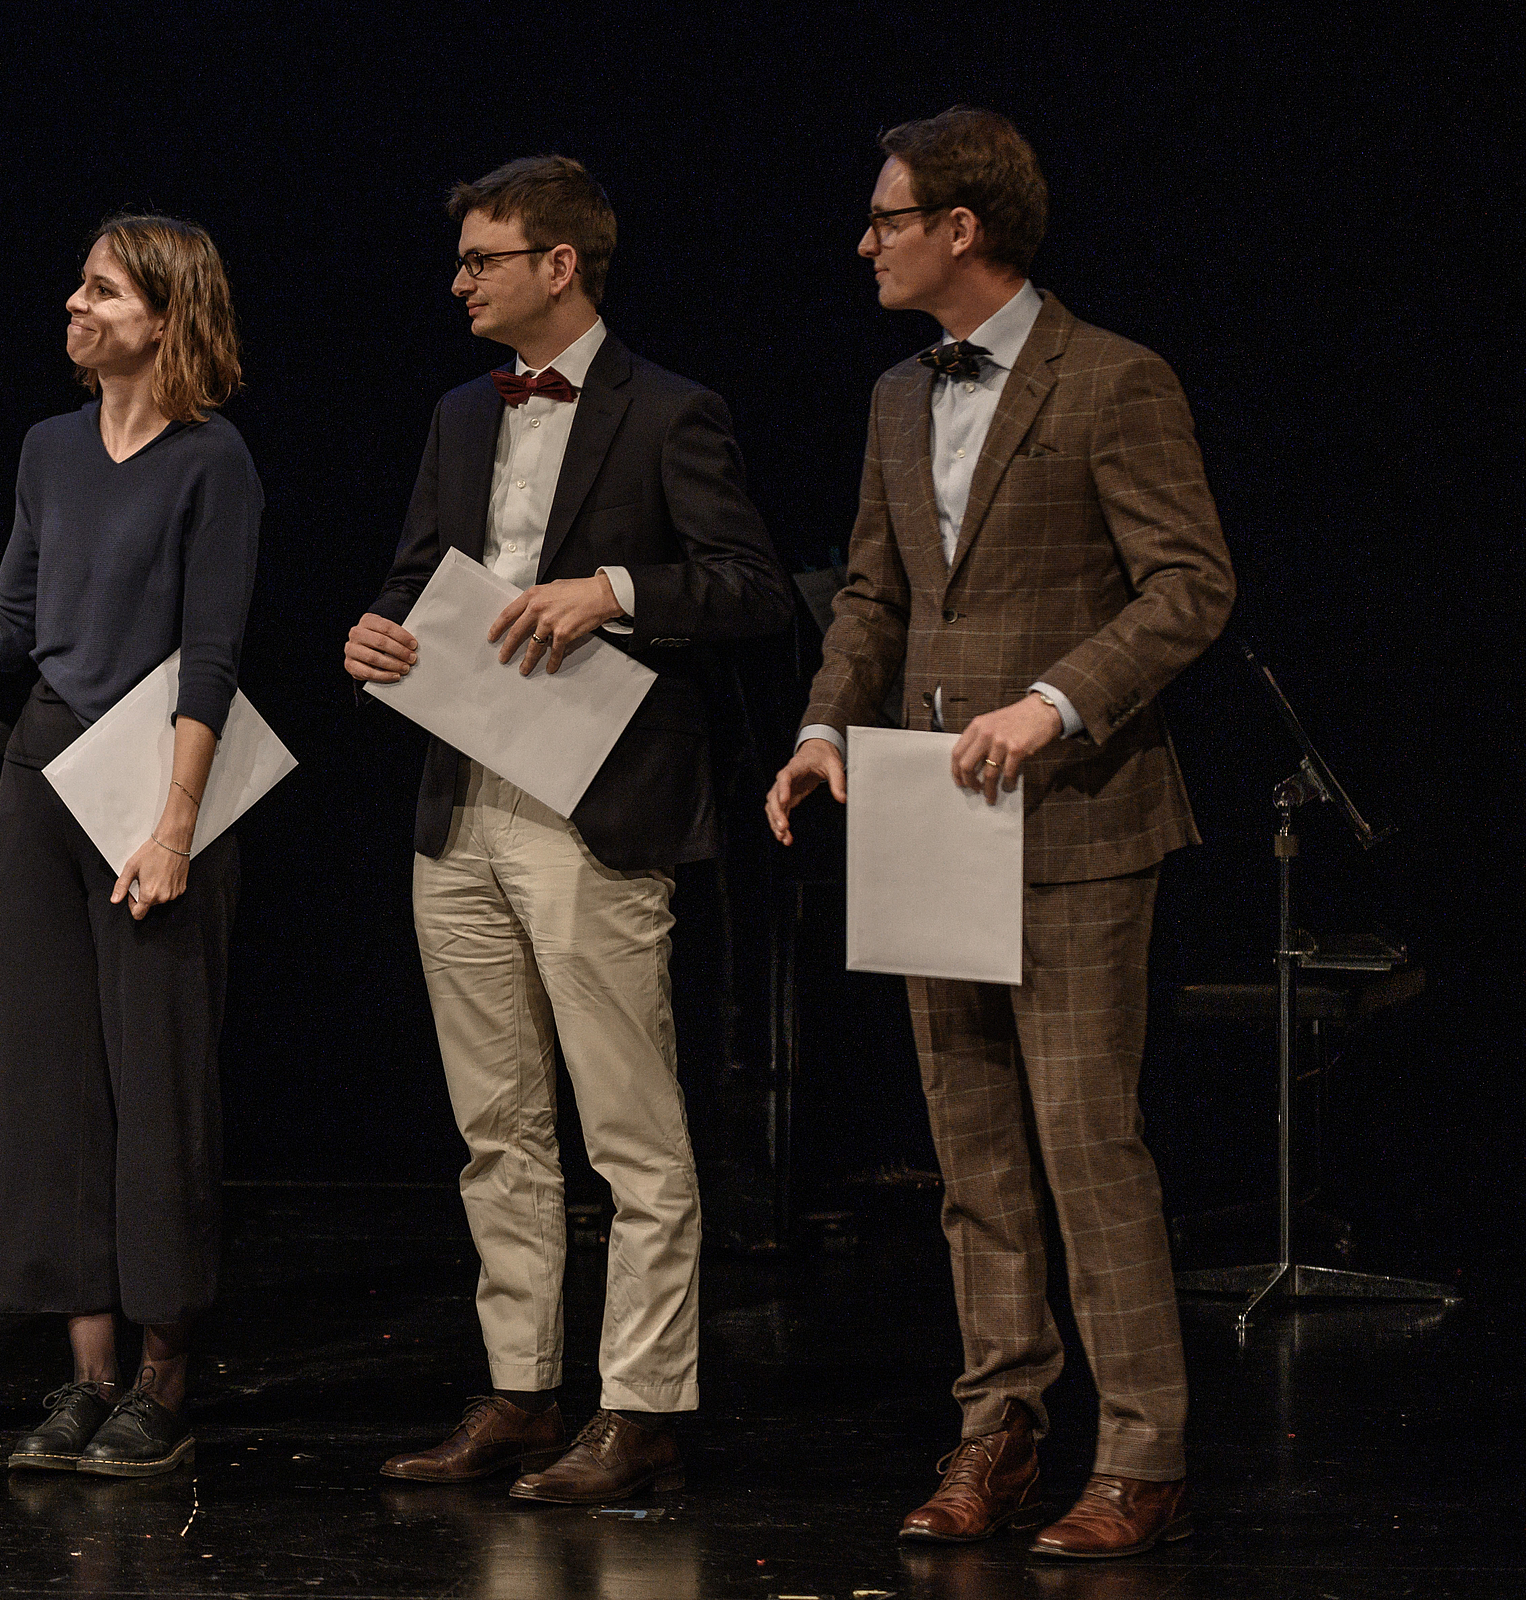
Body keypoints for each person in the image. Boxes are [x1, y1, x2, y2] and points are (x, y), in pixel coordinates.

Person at [766, 107, 1234, 1559]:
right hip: (931, 813)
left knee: (1087, 1144)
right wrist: (825, 727)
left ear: (960, 228)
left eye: (887, 217)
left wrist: (1053, 703)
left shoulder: (1113, 378)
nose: (866, 242)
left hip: (1077, 819)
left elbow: (1190, 584)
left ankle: (1141, 1454)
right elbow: (873, 592)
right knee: (970, 1155)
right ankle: (1001, 1429)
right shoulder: (896, 397)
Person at [345, 156, 793, 1504]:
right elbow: (416, 578)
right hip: (463, 799)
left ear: (560, 265)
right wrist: (379, 634)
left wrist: (615, 590)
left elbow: (753, 590)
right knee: (497, 1124)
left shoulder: (669, 412)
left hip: (597, 805)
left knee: (630, 1129)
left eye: (482, 259)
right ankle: (522, 1391)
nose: (458, 283)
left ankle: (641, 1406)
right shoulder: (458, 416)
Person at [0, 214, 259, 1478]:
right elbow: (12, 622)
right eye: (78, 286)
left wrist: (176, 824)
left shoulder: (213, 461)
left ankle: (164, 1377)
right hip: (45, 775)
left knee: (156, 1080)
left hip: (156, 787)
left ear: (165, 317)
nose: (74, 305)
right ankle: (86, 1377)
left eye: (102, 290)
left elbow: (212, 657)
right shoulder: (50, 448)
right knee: (52, 1081)